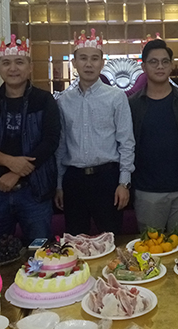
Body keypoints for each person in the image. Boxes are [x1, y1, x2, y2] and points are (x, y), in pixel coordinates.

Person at [0, 35, 60, 245]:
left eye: (19, 62)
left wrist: (16, 173)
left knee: (40, 252)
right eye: (6, 63)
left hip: (35, 192)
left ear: (30, 67)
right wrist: (9, 162)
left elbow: (50, 141)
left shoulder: (44, 100)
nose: (13, 68)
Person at [55, 29, 135, 235]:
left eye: (94, 59)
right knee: (75, 240)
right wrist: (59, 184)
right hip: (74, 179)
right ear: (74, 63)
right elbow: (61, 145)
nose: (88, 64)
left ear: (102, 62)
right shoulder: (64, 101)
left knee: (110, 238)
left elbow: (126, 142)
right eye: (83, 58)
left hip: (107, 178)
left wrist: (124, 183)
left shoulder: (116, 97)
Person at [129, 38, 178, 232]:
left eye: (165, 62)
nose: (160, 66)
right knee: (151, 247)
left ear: (171, 66)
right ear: (143, 67)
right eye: (153, 62)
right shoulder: (133, 105)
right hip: (147, 193)